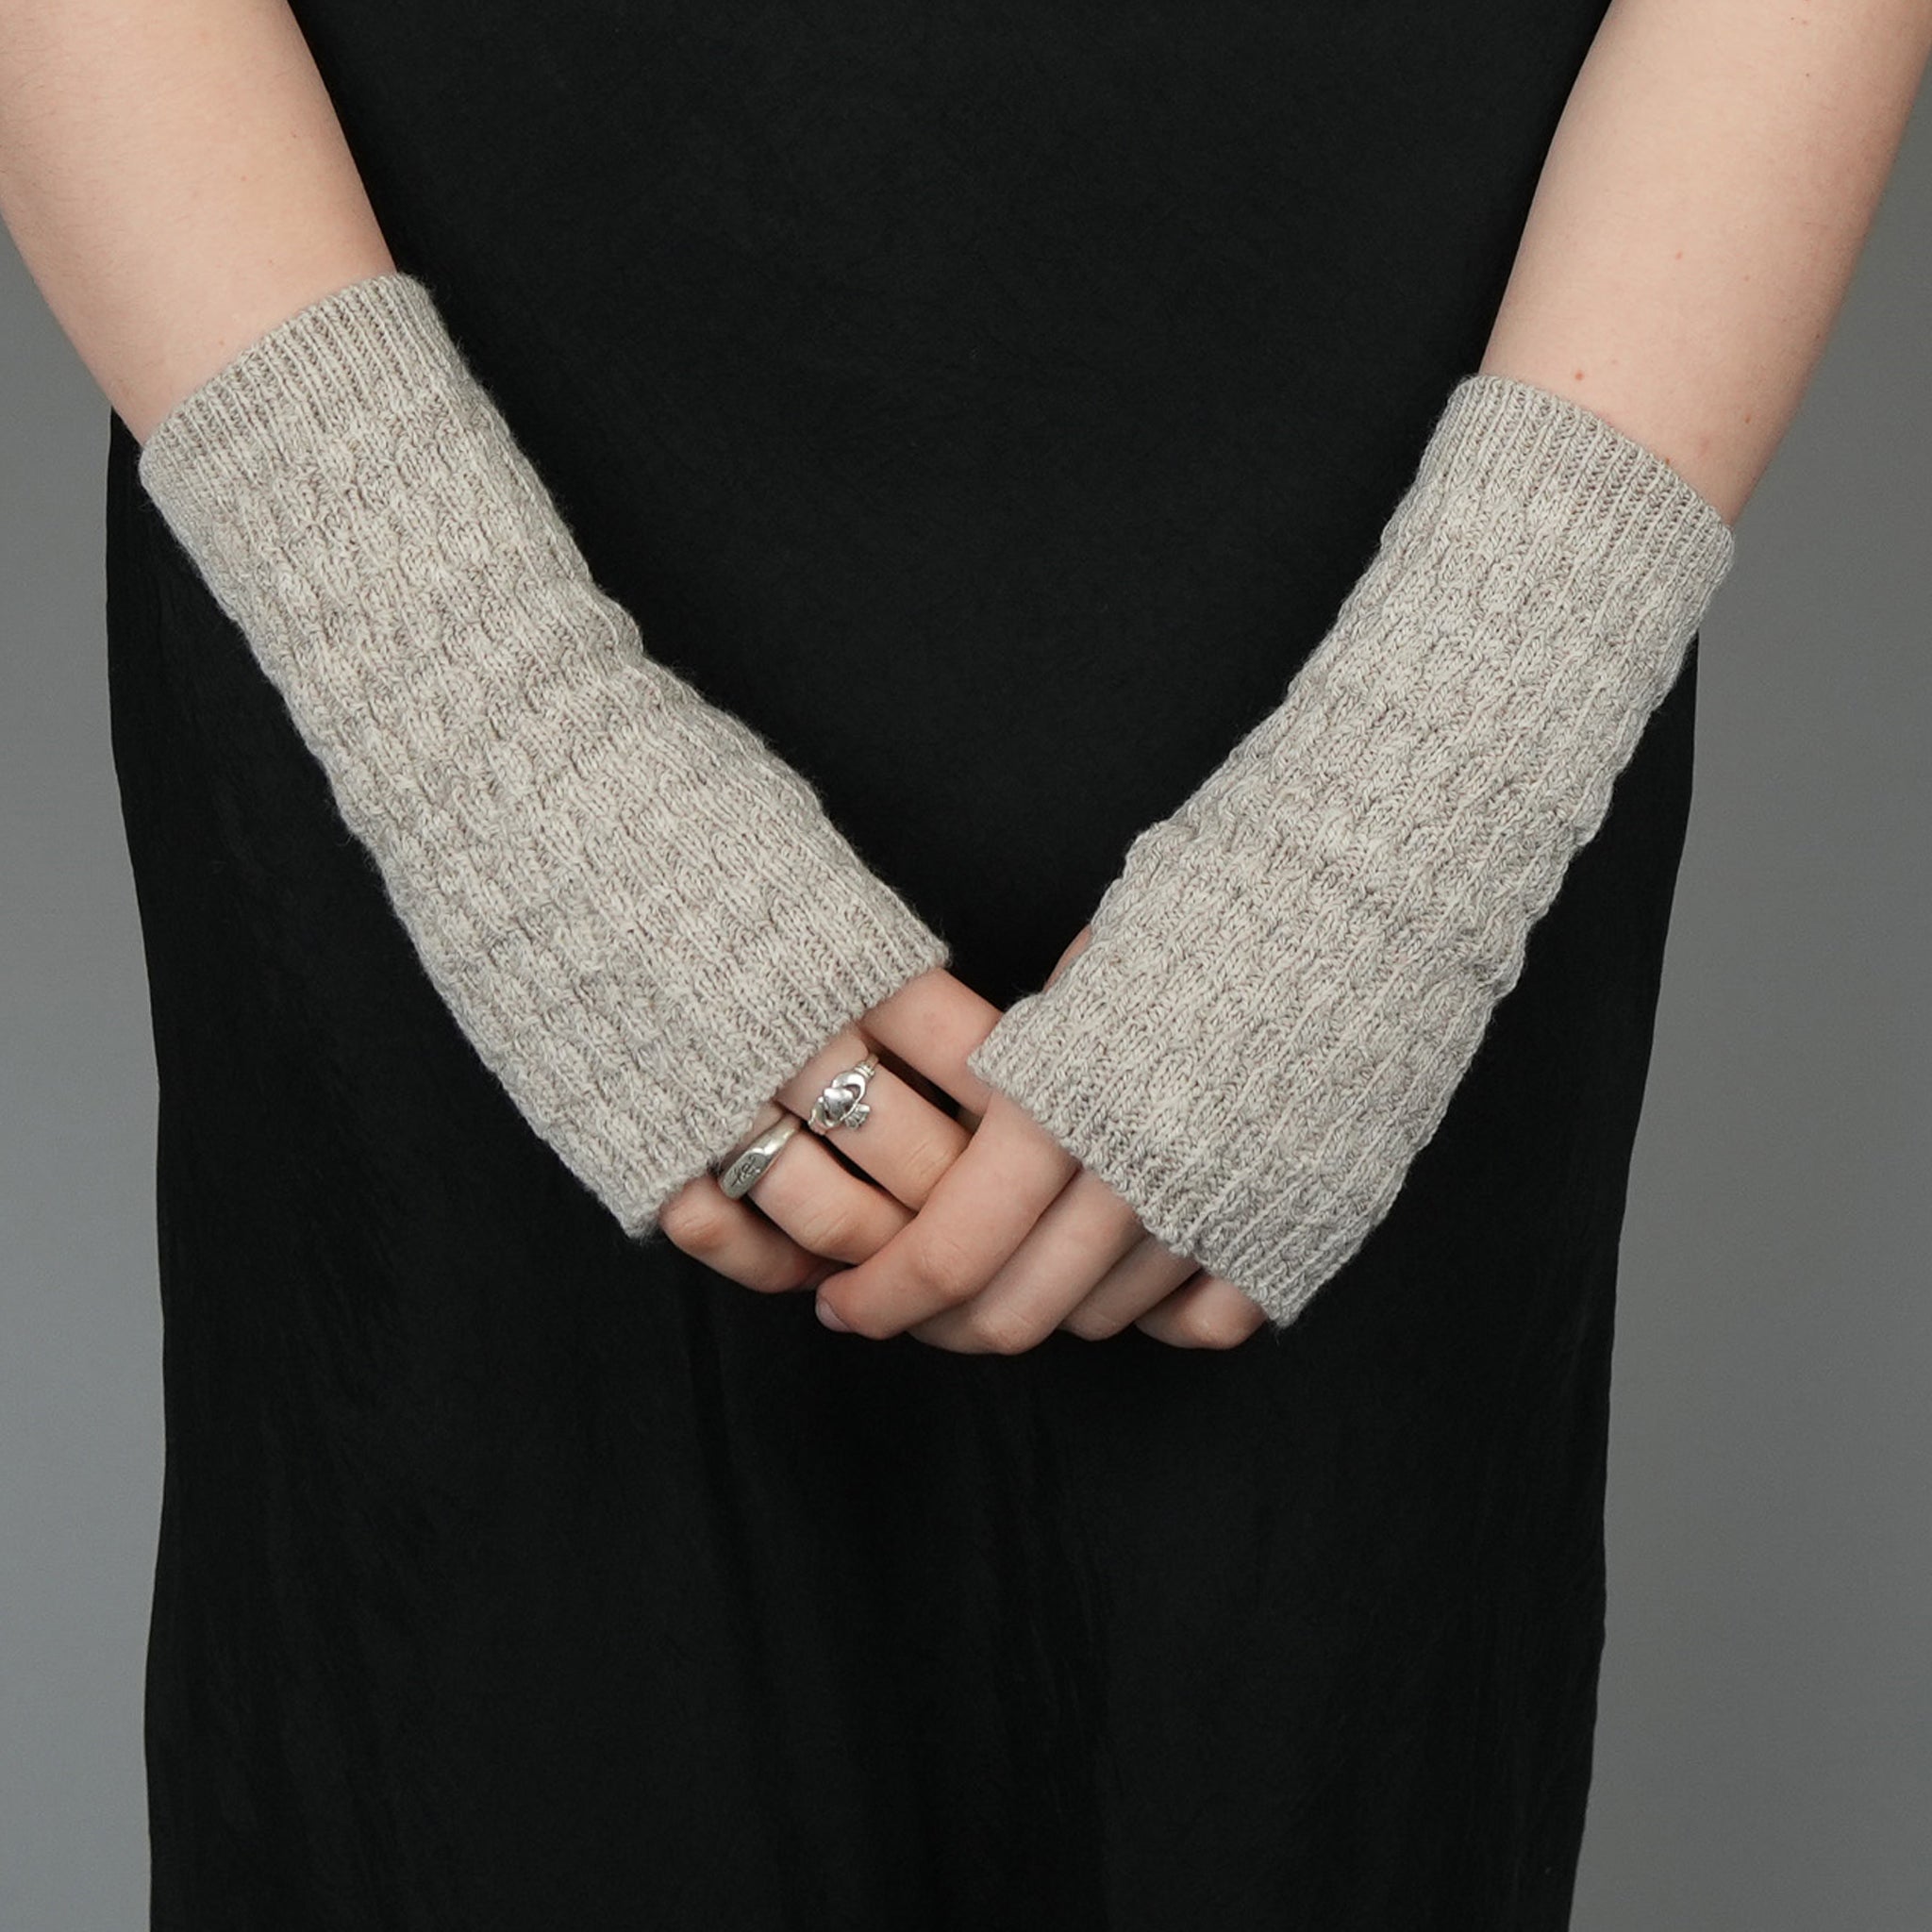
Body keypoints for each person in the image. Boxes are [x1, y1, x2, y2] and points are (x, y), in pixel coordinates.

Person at [3, 1, 1925, 1924]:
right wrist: (485, 722)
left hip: (1432, 579)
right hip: (407, 515)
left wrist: (1421, 799)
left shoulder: (1416, 784)